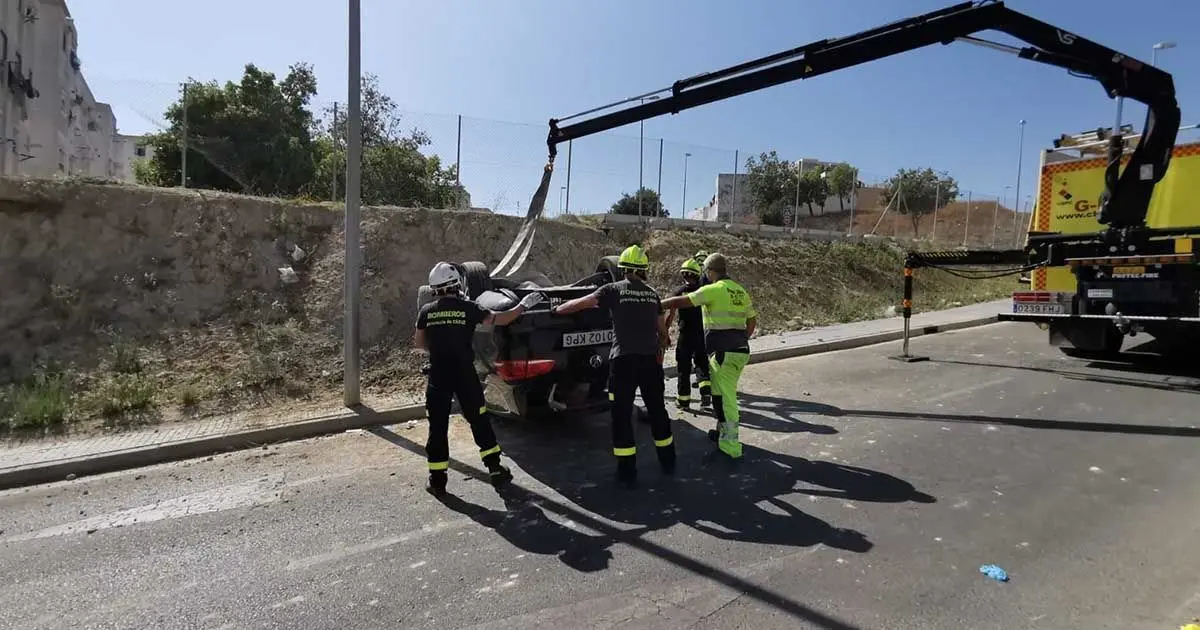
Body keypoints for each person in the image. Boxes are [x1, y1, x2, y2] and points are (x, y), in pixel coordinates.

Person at [414, 262, 545, 497]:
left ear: (434, 289)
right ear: (456, 285)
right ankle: (495, 469)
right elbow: (501, 319)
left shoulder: (426, 311)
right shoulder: (469, 308)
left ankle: (437, 480)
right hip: (465, 374)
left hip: (438, 376)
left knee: (438, 427)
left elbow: (420, 344)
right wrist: (523, 306)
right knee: (479, 420)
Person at [551, 244, 675, 488]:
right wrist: (660, 342)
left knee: (621, 414)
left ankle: (627, 471)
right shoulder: (653, 294)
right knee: (657, 410)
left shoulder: (613, 289)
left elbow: (581, 303)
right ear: (644, 270)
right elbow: (663, 333)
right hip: (650, 362)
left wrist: (556, 309)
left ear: (624, 269)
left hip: (623, 363)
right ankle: (668, 461)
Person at [660, 253, 756, 460]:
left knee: (726, 398)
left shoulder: (714, 290)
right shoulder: (740, 291)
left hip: (723, 353)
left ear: (710, 271)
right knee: (719, 395)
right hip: (738, 351)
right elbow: (752, 321)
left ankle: (731, 444)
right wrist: (741, 339)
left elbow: (683, 300)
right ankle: (721, 433)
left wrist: (657, 304)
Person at [664, 257, 711, 410]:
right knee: (702, 365)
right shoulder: (704, 292)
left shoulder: (679, 292)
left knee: (683, 368)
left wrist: (665, 333)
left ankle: (683, 401)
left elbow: (670, 315)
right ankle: (706, 395)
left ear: (683, 274)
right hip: (701, 335)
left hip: (685, 336)